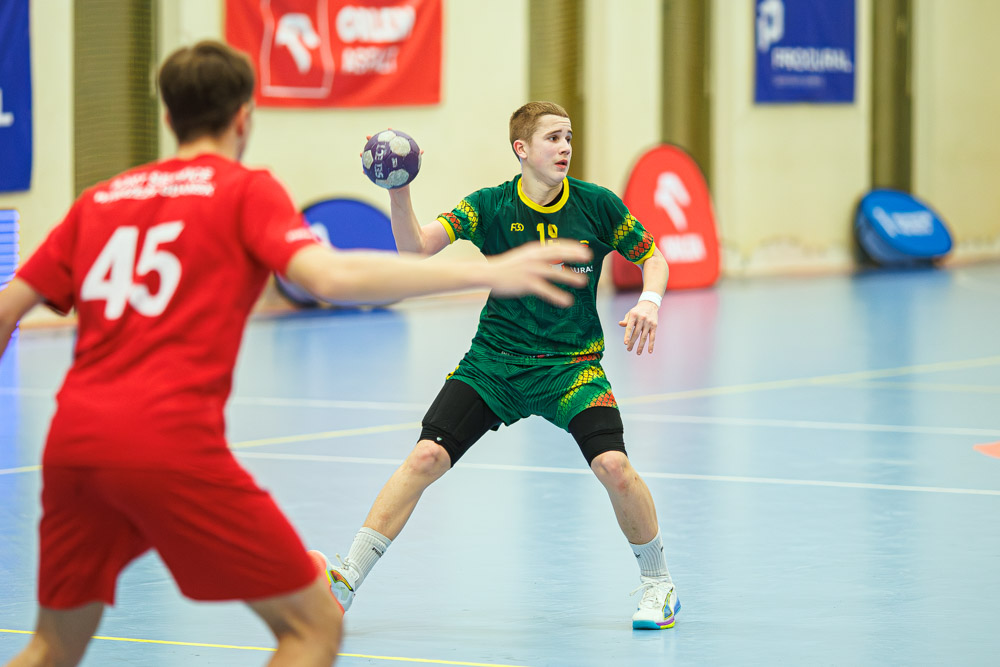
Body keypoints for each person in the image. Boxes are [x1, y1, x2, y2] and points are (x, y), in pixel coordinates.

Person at [0, 45, 591, 667]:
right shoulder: (243, 190)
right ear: (244, 117)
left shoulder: (100, 199)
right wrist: (485, 272)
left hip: (72, 445)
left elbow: (9, 308)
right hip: (168, 442)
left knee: (52, 646)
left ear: (168, 116)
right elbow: (330, 277)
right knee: (314, 628)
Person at [321, 101, 680, 630]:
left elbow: (653, 256)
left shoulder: (597, 205)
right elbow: (415, 249)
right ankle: (347, 579)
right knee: (425, 457)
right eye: (553, 138)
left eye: (569, 137)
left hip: (571, 367)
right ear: (522, 149)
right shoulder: (489, 206)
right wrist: (400, 190)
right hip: (495, 363)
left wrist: (650, 300)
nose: (565, 147)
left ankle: (659, 585)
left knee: (614, 467)